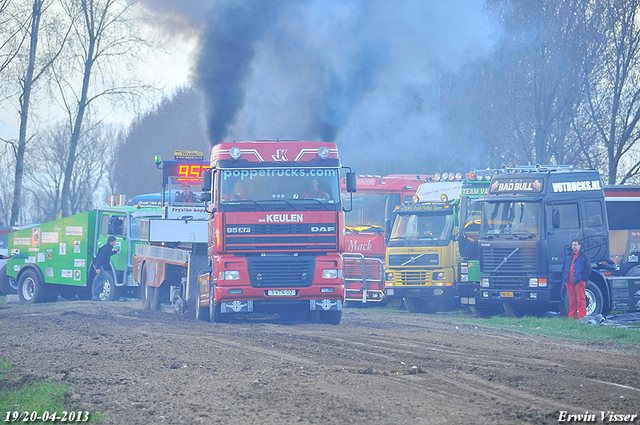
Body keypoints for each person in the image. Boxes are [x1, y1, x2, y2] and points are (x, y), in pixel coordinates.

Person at [562, 239, 591, 319]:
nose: (574, 247)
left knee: (581, 299)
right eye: (573, 245)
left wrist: (583, 279)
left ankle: (582, 316)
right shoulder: (568, 256)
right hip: (569, 281)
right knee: (572, 300)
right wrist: (565, 277)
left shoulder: (583, 256)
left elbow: (588, 268)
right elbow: (564, 267)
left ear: (579, 246)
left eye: (575, 245)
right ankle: (572, 316)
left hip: (579, 281)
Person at [93, 236, 119, 301]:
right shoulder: (106, 248)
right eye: (114, 242)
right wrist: (98, 268)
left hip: (99, 265)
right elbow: (99, 258)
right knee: (104, 278)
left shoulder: (108, 248)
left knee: (100, 279)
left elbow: (108, 254)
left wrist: (115, 251)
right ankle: (96, 294)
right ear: (111, 242)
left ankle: (95, 296)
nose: (115, 243)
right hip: (99, 265)